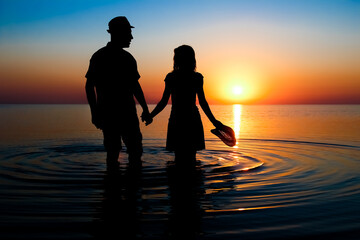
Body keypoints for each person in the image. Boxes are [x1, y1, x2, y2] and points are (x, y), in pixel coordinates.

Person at [85, 16, 152, 169]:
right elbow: (90, 86)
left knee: (131, 150)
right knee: (116, 151)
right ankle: (123, 187)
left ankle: (124, 186)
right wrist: (94, 112)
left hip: (125, 112)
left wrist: (146, 109)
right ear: (117, 33)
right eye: (128, 33)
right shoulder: (100, 57)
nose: (131, 37)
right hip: (110, 113)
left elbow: (135, 86)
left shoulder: (127, 58)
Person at [148, 45, 223, 164]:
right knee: (191, 157)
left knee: (179, 157)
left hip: (177, 118)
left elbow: (163, 102)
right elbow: (203, 102)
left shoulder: (172, 77)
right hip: (192, 118)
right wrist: (214, 121)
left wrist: (151, 115)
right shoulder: (196, 77)